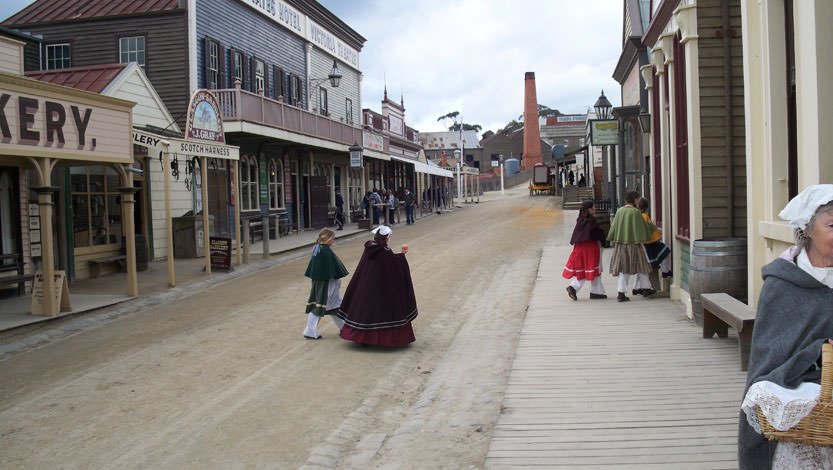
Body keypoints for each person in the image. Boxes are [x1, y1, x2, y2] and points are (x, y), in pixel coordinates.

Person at [739, 184, 833, 470]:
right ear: (807, 230)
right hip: (799, 421)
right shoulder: (781, 285)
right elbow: (768, 363)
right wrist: (818, 350)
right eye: (832, 224)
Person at [337, 225, 418, 347]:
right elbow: (394, 267)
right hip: (381, 289)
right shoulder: (385, 251)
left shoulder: (369, 247)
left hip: (367, 286)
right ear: (386, 238)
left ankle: (363, 338)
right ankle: (385, 340)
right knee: (382, 312)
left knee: (366, 311)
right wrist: (402, 255)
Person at [607, 190, 654, 301]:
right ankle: (646, 288)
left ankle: (621, 292)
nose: (638, 201)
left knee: (624, 269)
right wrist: (652, 227)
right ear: (635, 200)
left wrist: (611, 238)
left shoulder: (619, 211)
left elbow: (613, 227)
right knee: (642, 266)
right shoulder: (635, 212)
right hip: (634, 245)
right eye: (637, 199)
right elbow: (642, 227)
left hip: (621, 245)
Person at [303, 229, 348, 340]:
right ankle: (309, 330)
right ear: (328, 239)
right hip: (327, 283)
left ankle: (344, 327)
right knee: (320, 304)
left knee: (335, 305)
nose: (333, 241)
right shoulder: (325, 251)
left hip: (325, 281)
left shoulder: (318, 249)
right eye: (332, 238)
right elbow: (331, 268)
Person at [563, 200, 607, 300]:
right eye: (593, 208)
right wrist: (603, 239)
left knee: (582, 269)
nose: (595, 209)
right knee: (594, 268)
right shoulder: (591, 221)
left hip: (579, 247)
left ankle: (593, 290)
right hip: (590, 248)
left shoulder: (580, 220)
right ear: (589, 209)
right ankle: (592, 291)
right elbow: (596, 233)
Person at [637, 197, 671, 292]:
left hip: (647, 243)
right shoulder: (644, 216)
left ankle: (637, 287)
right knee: (664, 252)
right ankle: (665, 272)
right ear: (647, 207)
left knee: (647, 266)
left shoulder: (641, 216)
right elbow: (649, 228)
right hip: (650, 244)